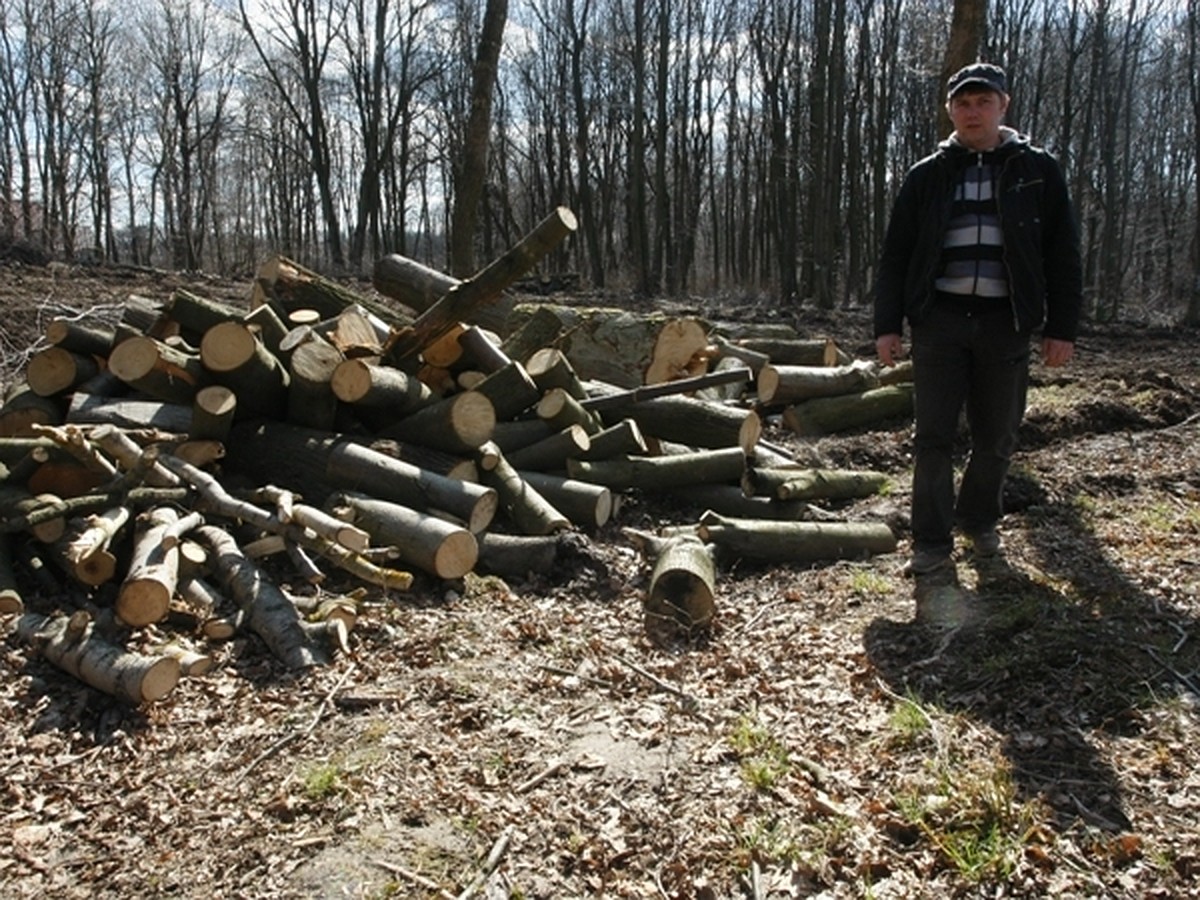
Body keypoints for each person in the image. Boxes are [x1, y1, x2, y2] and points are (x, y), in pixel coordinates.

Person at [873, 62, 1082, 575]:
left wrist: (1062, 327)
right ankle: (930, 542)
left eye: (983, 101)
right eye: (963, 103)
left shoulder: (1037, 170)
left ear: (1003, 106)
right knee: (933, 436)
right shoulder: (928, 174)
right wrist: (887, 324)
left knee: (997, 435)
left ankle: (979, 521)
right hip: (939, 320)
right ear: (950, 110)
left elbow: (1062, 253)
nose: (972, 112)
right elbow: (897, 254)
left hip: (1005, 321)